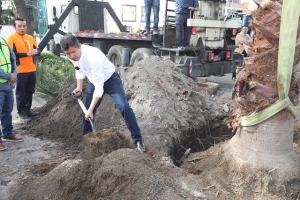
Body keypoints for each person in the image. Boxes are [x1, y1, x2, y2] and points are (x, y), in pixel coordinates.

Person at [60, 34, 146, 153]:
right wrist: (79, 88)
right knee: (86, 114)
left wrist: (91, 109)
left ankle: (138, 140)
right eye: (68, 54)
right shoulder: (71, 55)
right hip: (94, 82)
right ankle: (88, 143)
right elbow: (79, 71)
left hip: (111, 80)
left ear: (79, 46)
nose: (71, 56)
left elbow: (99, 89)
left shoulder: (92, 56)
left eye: (73, 52)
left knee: (125, 107)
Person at [6, 17, 40, 123]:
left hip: (31, 69)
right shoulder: (11, 38)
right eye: (19, 26)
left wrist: (37, 52)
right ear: (14, 27)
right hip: (20, 71)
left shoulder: (30, 37)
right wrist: (27, 54)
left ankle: (28, 109)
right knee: (21, 92)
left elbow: (37, 50)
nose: (22, 28)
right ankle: (22, 112)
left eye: (24, 26)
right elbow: (11, 55)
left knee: (30, 91)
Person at [0, 36, 24, 151]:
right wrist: (9, 76)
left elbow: (13, 58)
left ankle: (7, 134)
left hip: (8, 85)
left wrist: (14, 74)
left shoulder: (3, 41)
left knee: (7, 111)